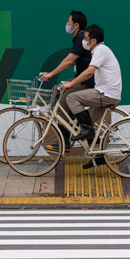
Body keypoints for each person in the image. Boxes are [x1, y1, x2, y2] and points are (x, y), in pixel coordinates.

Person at [62, 24, 122, 169]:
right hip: (107, 92)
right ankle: (99, 157)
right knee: (87, 120)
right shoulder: (101, 50)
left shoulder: (100, 50)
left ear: (93, 41)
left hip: (105, 93)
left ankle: (87, 129)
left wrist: (71, 84)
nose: (84, 41)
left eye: (86, 38)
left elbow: (89, 72)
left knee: (71, 98)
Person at [40, 11, 93, 153]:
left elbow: (69, 61)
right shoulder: (79, 38)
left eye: (68, 21)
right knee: (56, 91)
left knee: (63, 100)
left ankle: (65, 141)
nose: (67, 24)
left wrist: (51, 74)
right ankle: (70, 125)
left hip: (88, 81)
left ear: (76, 25)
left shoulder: (82, 38)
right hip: (82, 78)